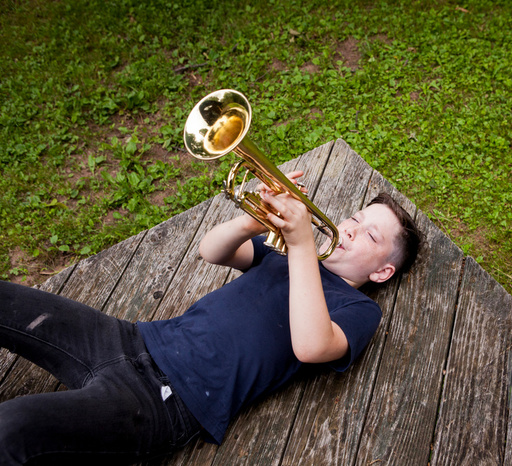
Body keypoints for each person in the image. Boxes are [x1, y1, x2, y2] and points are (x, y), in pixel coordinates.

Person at [0, 171, 422, 465]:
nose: (349, 229)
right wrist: (251, 222)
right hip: (132, 340)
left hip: (166, 403)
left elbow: (311, 346)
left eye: (369, 234)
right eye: (356, 217)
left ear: (382, 272)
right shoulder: (281, 257)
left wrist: (301, 246)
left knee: (13, 426)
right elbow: (212, 251)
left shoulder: (360, 309)